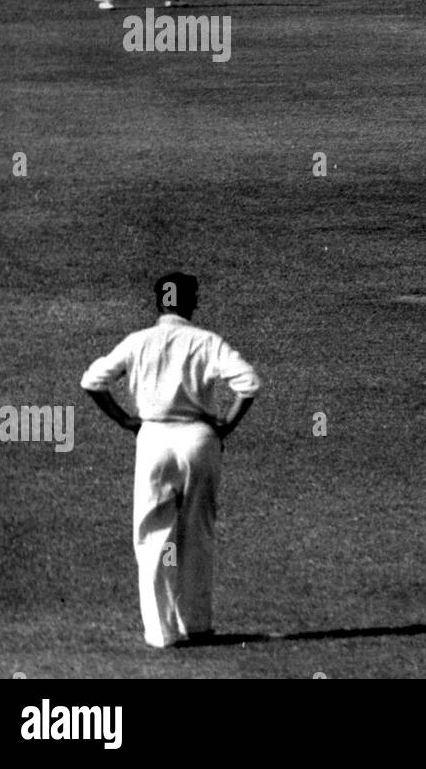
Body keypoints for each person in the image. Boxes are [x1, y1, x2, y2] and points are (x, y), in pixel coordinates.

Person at [80, 272, 261, 648]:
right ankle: (196, 624)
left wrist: (125, 420)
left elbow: (93, 381)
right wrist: (225, 426)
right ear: (191, 302)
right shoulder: (206, 341)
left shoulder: (138, 341)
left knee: (154, 538)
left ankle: (162, 632)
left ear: (159, 302)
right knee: (197, 533)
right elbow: (248, 383)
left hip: (154, 441)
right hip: (200, 440)